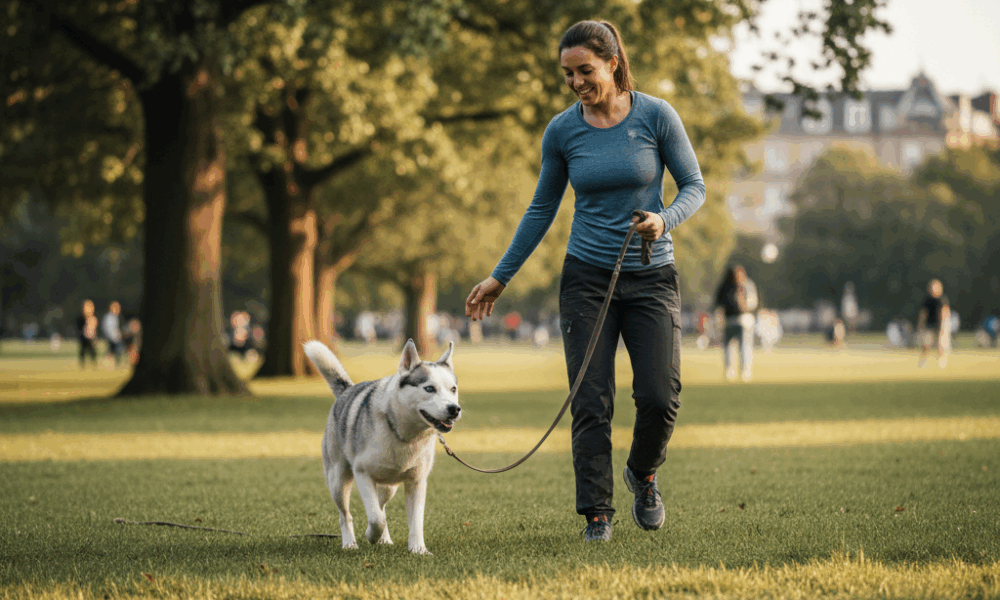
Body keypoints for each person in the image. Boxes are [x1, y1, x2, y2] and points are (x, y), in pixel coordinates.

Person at [465, 20, 705, 543]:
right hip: (587, 280)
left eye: (585, 70)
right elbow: (541, 208)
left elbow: (694, 185)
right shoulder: (562, 131)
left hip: (651, 275)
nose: (575, 82)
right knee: (591, 401)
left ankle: (643, 473)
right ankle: (598, 513)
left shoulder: (656, 115)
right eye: (567, 74)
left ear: (613, 63)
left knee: (660, 397)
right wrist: (500, 276)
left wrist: (664, 219)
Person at [713, 265, 758, 382]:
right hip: (736, 320)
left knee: (737, 347)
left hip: (738, 320)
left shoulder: (733, 286)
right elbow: (753, 303)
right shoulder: (742, 285)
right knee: (740, 347)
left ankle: (737, 371)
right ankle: (740, 371)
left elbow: (718, 304)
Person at [916, 279, 951, 368]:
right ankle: (923, 361)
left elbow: (945, 312)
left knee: (941, 345)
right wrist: (921, 325)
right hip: (929, 326)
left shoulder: (942, 299)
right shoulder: (927, 300)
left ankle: (941, 362)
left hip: (940, 326)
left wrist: (945, 326)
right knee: (926, 344)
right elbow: (923, 313)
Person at [75, 299, 98, 368]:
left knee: (93, 352)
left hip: (91, 338)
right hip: (83, 338)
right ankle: (82, 365)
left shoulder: (93, 318)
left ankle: (94, 364)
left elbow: (94, 329)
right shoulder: (80, 318)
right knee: (83, 351)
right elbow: (79, 328)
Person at [101, 301, 124, 366]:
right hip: (111, 338)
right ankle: (110, 363)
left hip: (115, 337)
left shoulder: (116, 317)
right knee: (114, 350)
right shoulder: (109, 317)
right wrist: (114, 336)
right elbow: (108, 329)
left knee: (115, 351)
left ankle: (116, 363)